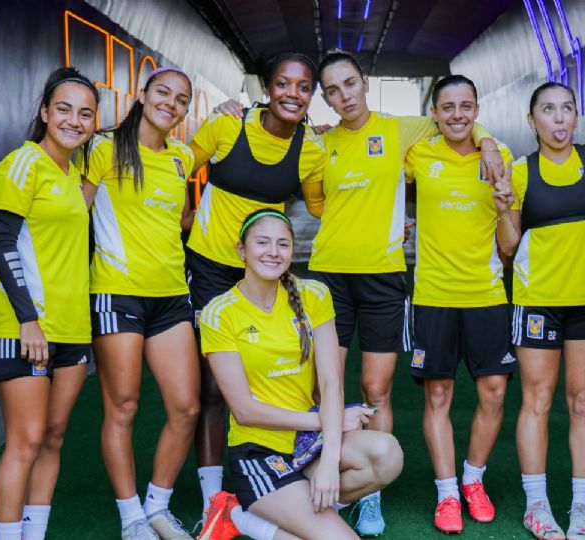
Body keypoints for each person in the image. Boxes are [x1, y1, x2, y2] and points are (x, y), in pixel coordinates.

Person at [303, 50, 503, 534]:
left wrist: (490, 141)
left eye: (350, 84)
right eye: (332, 90)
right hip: (328, 277)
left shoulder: (401, 131)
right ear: (324, 98)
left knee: (376, 388)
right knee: (321, 385)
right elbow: (315, 204)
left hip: (383, 278)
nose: (343, 95)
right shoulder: (316, 144)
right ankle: (317, 475)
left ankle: (371, 493)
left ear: (364, 83)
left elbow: (456, 122)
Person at [197, 208, 404, 540]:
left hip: (309, 445)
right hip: (259, 450)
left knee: (387, 454)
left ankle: (293, 507)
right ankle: (237, 515)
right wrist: (325, 422)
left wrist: (329, 463)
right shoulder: (219, 313)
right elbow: (243, 409)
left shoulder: (313, 295)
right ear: (241, 250)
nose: (273, 252)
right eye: (262, 242)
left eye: (283, 244)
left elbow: (331, 382)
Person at [493, 82, 585, 540]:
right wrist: (502, 209)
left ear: (577, 117)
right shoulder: (519, 173)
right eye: (548, 110)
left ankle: (581, 509)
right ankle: (537, 506)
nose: (559, 119)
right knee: (536, 401)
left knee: (583, 402)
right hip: (537, 302)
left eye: (567, 110)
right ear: (531, 119)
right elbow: (507, 248)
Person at [186, 53, 326, 519]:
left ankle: (274, 475)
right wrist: (181, 218)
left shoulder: (311, 148)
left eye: (303, 86)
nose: (292, 93)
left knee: (269, 379)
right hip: (210, 267)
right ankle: (213, 499)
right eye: (283, 84)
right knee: (211, 387)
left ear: (311, 96)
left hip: (265, 270)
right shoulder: (228, 126)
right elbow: (174, 167)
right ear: (267, 88)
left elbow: (322, 204)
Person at [83, 66, 200, 540]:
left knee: (186, 407)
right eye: (163, 93)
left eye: (181, 100)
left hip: (172, 295)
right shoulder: (104, 148)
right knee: (124, 406)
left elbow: (182, 218)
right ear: (143, 95)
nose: (171, 103)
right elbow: (75, 212)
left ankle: (156, 506)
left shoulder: (182, 158)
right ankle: (131, 516)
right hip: (117, 291)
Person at [0, 67, 98, 540]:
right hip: (25, 328)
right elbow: (2, 244)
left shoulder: (73, 176)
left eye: (86, 113)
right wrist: (28, 320)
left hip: (72, 331)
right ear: (44, 112)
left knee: (52, 439)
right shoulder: (22, 163)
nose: (75, 120)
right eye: (65, 109)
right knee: (26, 441)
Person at [404, 75, 514, 534]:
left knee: (494, 392)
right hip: (433, 296)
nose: (456, 115)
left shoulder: (501, 157)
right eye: (447, 107)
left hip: (487, 295)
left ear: (477, 109)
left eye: (466, 106)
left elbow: (510, 246)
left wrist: (506, 205)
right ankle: (447, 491)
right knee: (439, 395)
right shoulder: (417, 154)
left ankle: (473, 480)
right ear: (433, 113)